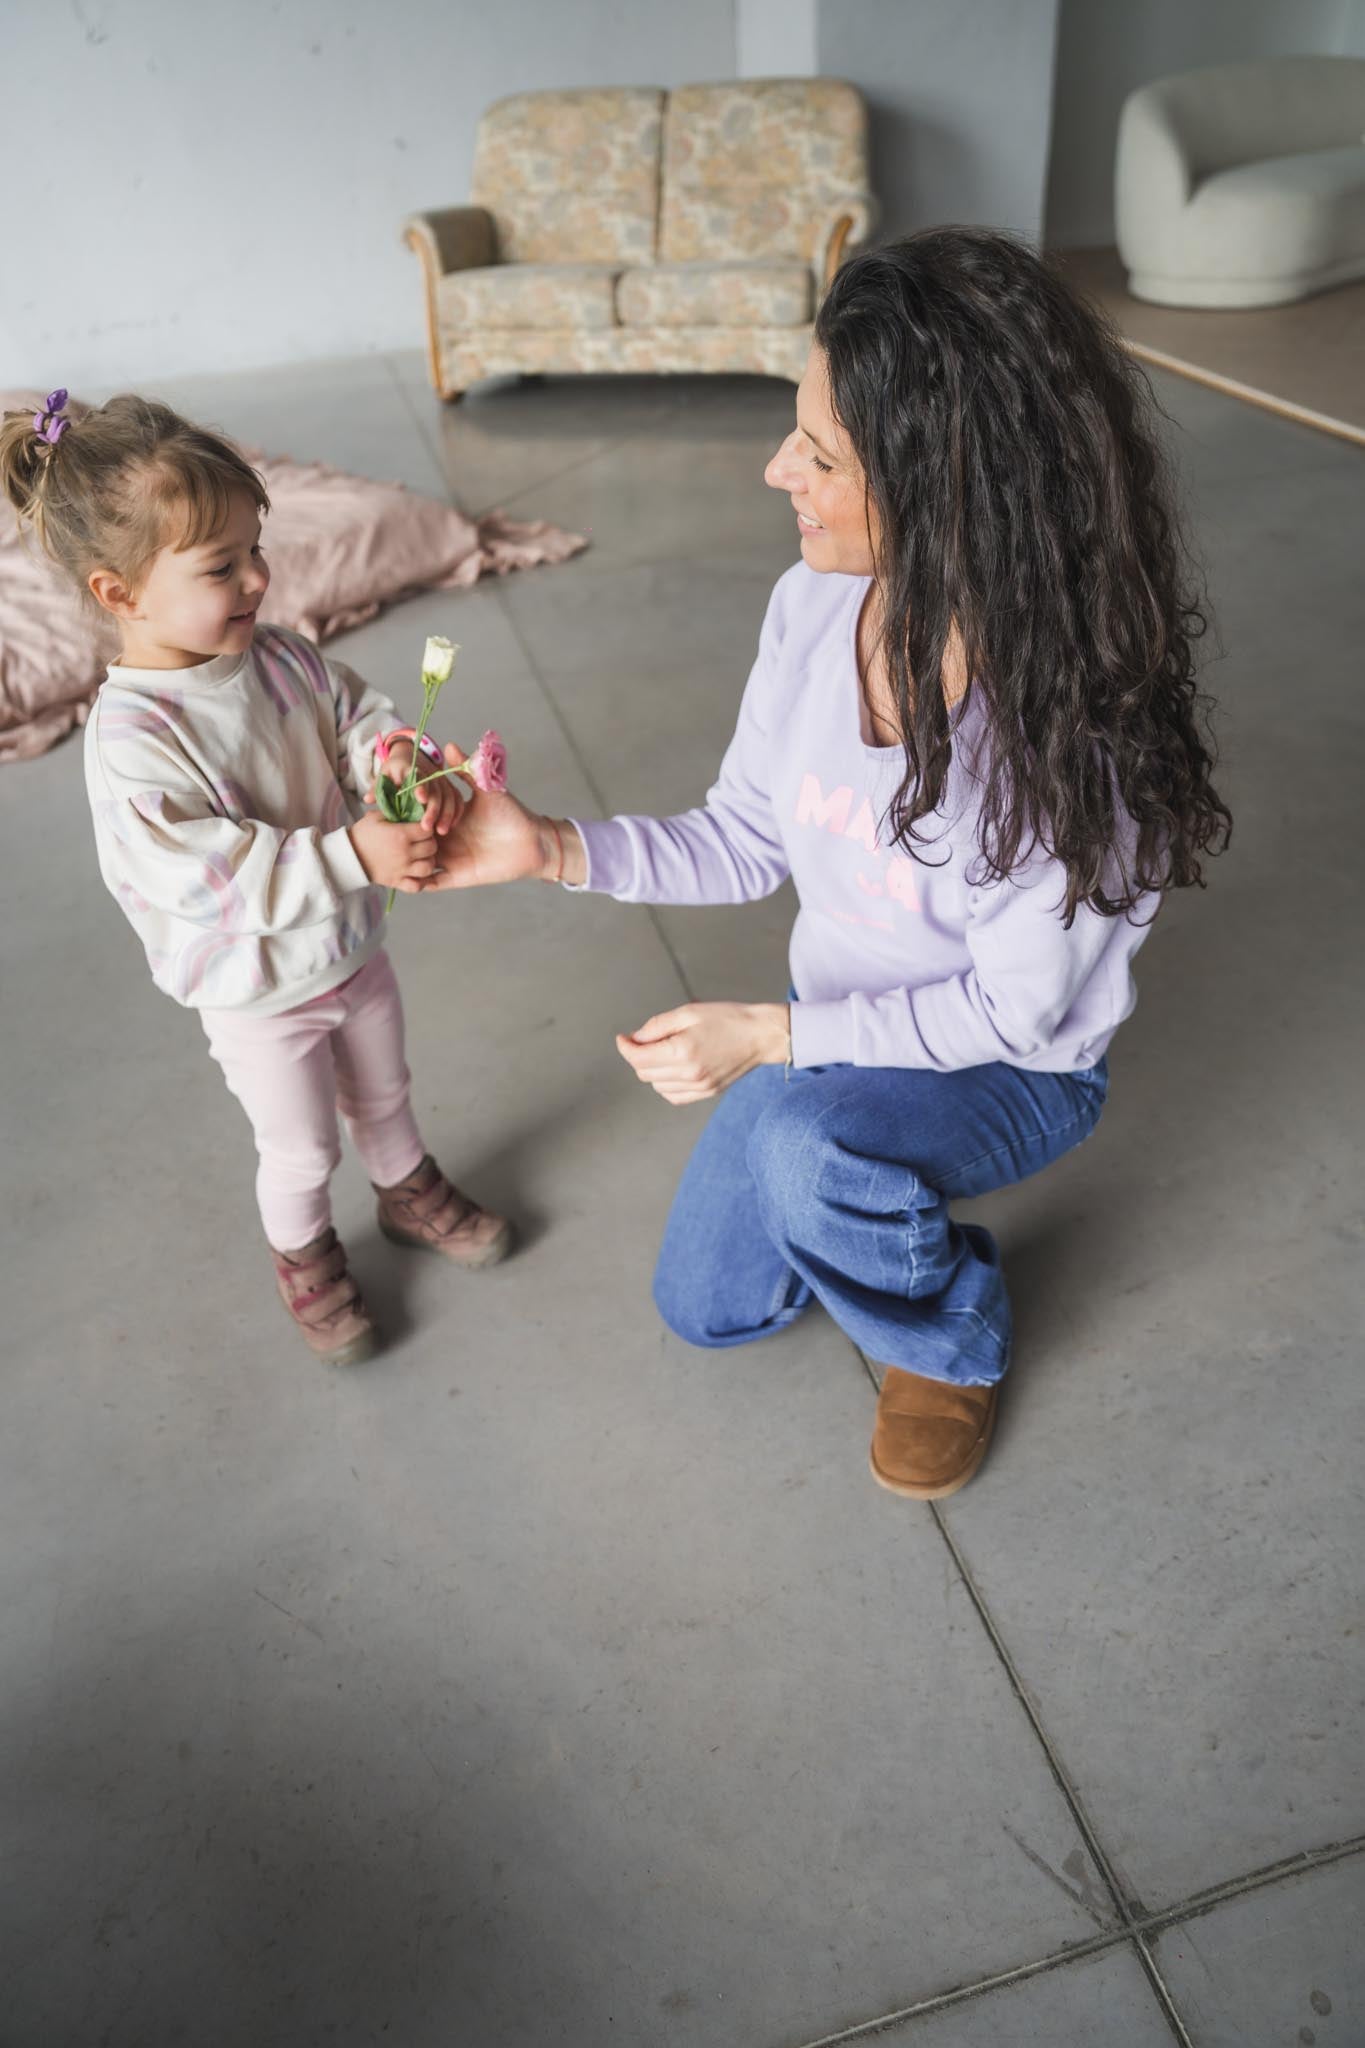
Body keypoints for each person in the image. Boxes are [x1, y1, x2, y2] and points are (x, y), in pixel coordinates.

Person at [419, 229, 1231, 1499]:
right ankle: (854, 1179)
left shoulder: (1059, 746)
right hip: (835, 1046)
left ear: (942, 487)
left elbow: (1013, 1010)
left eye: (820, 453)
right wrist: (550, 849)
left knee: (803, 1151)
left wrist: (774, 1039)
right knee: (709, 1307)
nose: (773, 469)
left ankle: (950, 1330)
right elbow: (745, 833)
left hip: (1013, 1068)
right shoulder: (810, 607)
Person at [0, 392, 513, 1367]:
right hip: (256, 993)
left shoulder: (274, 653)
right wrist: (354, 853)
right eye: (221, 566)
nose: (258, 578)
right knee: (301, 1146)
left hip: (349, 946)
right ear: (121, 595)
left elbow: (348, 711)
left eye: (256, 548)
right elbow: (214, 878)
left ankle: (407, 1189)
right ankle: (305, 1250)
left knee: (387, 1088)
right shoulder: (132, 743)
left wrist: (390, 758)